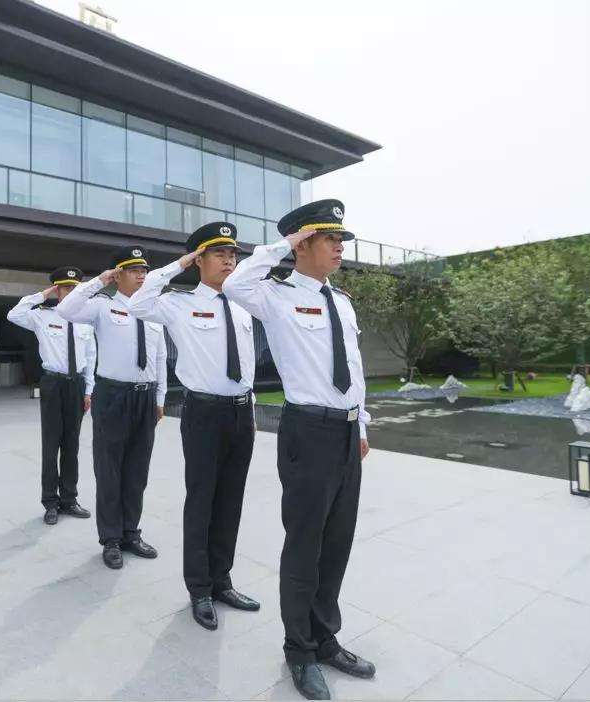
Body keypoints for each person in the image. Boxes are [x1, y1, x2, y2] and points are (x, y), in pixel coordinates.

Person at [222, 199, 375, 700]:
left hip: (345, 434)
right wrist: (283, 245)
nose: (339, 247)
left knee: (337, 543)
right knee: (305, 544)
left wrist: (361, 423)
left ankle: (325, 638)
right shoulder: (274, 294)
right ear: (303, 243)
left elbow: (353, 368)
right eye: (329, 238)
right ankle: (300, 650)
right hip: (307, 432)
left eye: (341, 239)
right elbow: (235, 283)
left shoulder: (343, 301)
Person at [128, 222, 259, 631]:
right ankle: (199, 588)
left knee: (231, 500)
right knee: (202, 500)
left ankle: (222, 581)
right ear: (199, 259)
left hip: (241, 413)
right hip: (204, 414)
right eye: (219, 253)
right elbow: (137, 303)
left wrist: (251, 409)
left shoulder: (242, 305)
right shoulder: (177, 302)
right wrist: (177, 265)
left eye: (232, 254)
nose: (229, 260)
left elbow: (248, 363)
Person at [56, 246, 167, 569]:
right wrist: (99, 281)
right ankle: (111, 539)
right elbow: (65, 309)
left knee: (137, 471)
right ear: (118, 275)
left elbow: (160, 356)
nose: (142, 275)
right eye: (134, 270)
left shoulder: (153, 308)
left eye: (144, 270)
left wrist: (160, 398)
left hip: (145, 397)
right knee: (109, 470)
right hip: (113, 395)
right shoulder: (102, 306)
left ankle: (131, 533)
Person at [6, 267, 95, 525]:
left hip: (77, 384)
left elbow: (91, 357)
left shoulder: (86, 319)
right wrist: (42, 295)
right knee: (51, 444)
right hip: (53, 383)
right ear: (57, 290)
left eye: (75, 288)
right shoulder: (42, 315)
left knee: (72, 445)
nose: (71, 292)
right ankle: (50, 502)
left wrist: (89, 390)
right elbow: (14, 314)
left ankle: (69, 499)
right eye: (65, 288)